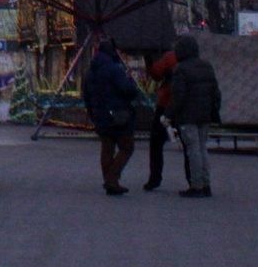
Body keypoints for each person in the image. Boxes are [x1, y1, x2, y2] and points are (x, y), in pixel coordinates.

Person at [81, 38, 141, 195]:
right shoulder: (114, 69)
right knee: (127, 147)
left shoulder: (91, 71)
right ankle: (112, 179)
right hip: (118, 115)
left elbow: (86, 95)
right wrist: (131, 82)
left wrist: (93, 113)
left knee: (107, 148)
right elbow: (128, 90)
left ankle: (109, 180)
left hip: (100, 115)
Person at [167, 34, 220, 198]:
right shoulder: (207, 66)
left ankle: (196, 185)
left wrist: (169, 114)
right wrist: (214, 111)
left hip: (187, 116)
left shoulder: (180, 69)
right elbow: (215, 92)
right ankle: (206, 184)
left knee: (193, 150)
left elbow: (178, 96)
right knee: (202, 149)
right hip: (205, 115)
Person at [142, 44, 179, 192]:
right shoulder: (196, 60)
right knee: (191, 146)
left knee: (156, 143)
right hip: (186, 106)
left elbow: (156, 74)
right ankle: (195, 180)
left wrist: (148, 61)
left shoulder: (169, 57)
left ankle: (154, 178)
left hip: (165, 104)